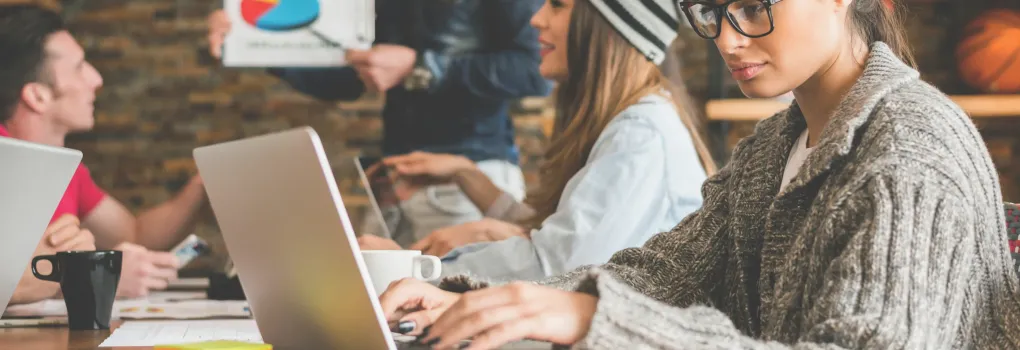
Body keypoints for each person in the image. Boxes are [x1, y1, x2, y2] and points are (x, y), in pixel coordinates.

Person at [375, 0, 1020, 349]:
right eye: (712, 11)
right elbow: (660, 274)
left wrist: (586, 321)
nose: (729, 38)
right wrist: (471, 298)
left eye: (756, 6)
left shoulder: (908, 153)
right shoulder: (777, 143)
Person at [358, 0, 716, 282]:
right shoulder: (630, 124)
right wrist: (466, 174)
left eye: (557, 4)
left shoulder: (641, 134)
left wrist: (411, 270)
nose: (536, 19)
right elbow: (562, 238)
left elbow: (556, 268)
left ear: (610, 28)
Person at [206, 0, 551, 245]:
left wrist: (421, 67)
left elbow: (536, 71)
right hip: (392, 186)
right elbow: (348, 81)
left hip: (469, 184)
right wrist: (254, 44)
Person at [0, 5, 207, 301]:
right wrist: (92, 277)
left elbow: (133, 235)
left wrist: (201, 184)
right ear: (37, 95)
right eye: (80, 67)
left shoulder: (66, 169)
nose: (96, 79)